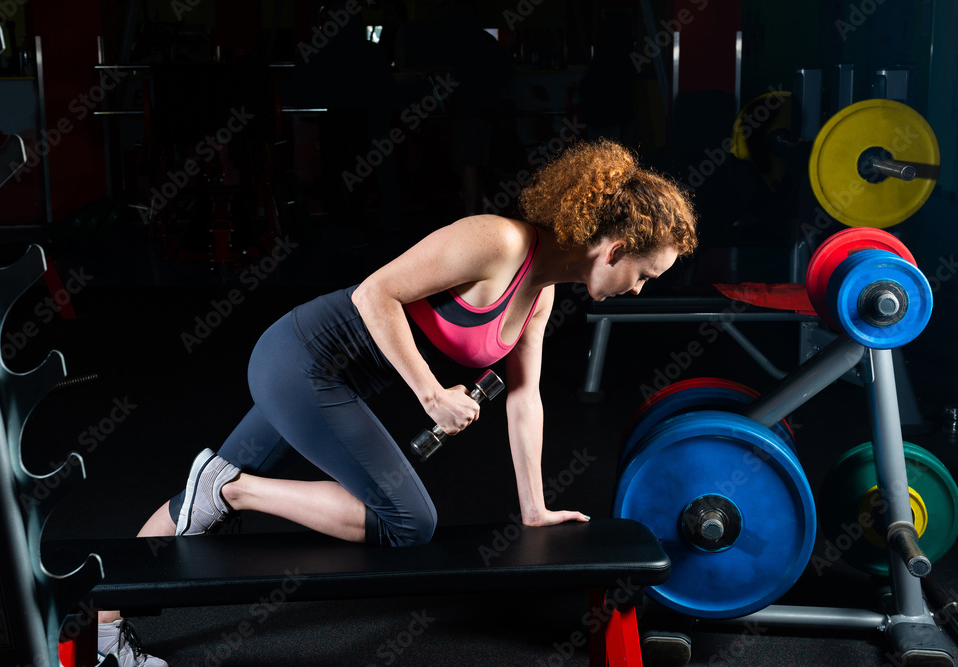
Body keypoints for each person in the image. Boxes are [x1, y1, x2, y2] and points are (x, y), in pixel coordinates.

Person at [95, 138, 697, 665]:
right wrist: (432, 395)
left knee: (193, 504)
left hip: (334, 381)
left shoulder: (539, 295)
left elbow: (524, 399)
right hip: (302, 359)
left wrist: (535, 509)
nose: (638, 288)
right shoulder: (498, 241)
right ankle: (235, 490)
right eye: (645, 273)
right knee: (409, 522)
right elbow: (375, 293)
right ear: (615, 248)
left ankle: (101, 630)